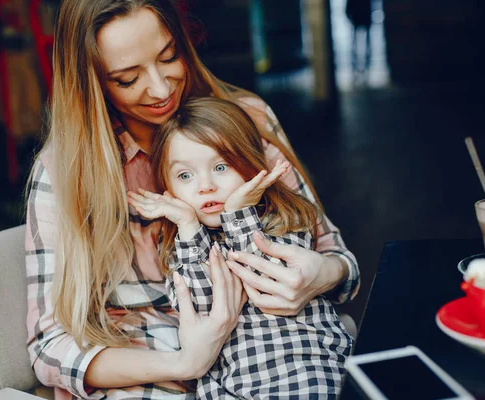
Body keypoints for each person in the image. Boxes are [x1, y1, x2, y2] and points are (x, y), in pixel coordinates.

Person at [25, 0, 360, 399]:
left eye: (170, 57)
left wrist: (324, 273)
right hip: (150, 377)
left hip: (278, 363)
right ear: (91, 82)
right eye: (128, 79)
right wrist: (185, 362)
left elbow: (336, 256)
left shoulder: (248, 120)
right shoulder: (64, 172)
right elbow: (49, 345)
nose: (162, 89)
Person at [128, 97, 354, 398]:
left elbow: (268, 280)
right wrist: (188, 226)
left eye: (221, 166)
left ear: (249, 166)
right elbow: (201, 305)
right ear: (168, 189)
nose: (205, 185)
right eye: (185, 176)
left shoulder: (286, 217)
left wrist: (238, 214)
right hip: (233, 388)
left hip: (307, 373)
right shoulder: (179, 247)